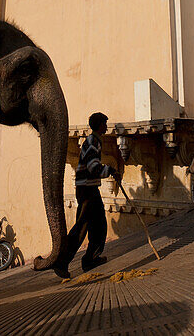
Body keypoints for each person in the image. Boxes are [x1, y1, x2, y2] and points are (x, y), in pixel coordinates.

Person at [56, 112, 121, 277]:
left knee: (98, 225)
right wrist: (111, 170)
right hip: (86, 190)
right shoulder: (93, 142)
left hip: (90, 188)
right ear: (99, 125)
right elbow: (94, 167)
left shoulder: (95, 140)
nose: (106, 126)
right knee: (82, 226)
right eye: (105, 123)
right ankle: (62, 262)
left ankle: (91, 259)